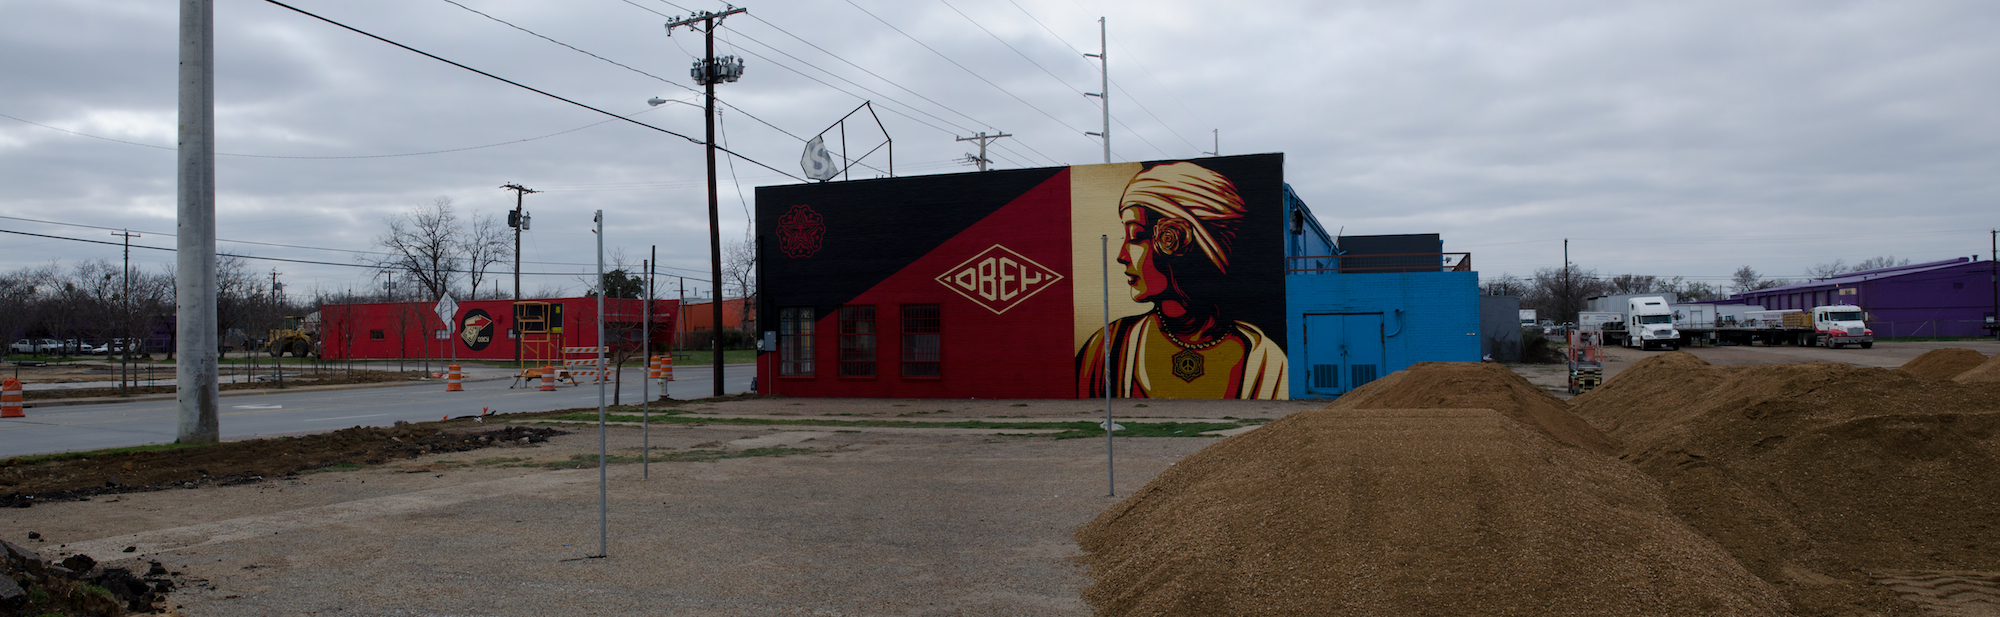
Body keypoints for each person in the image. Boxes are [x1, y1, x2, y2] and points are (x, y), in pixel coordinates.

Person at [1077, 162, 1287, 399]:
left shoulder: (1264, 362)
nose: (1121, 255)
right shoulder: (1107, 346)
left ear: (1181, 241)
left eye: (1135, 236)